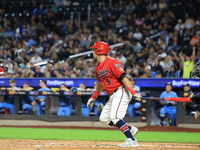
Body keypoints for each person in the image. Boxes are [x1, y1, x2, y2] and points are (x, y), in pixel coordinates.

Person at [86, 41, 142, 147]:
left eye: (94, 49)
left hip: (121, 91)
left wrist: (133, 92)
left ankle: (131, 140)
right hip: (112, 94)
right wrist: (94, 96)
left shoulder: (112, 62)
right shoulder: (98, 67)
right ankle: (129, 129)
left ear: (99, 50)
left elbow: (124, 78)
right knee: (104, 119)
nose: (92, 51)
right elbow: (101, 83)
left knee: (115, 117)